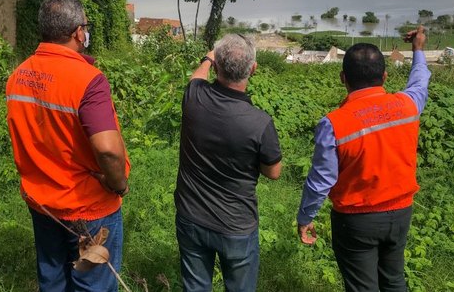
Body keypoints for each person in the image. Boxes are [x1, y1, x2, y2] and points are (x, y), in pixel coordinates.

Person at [5, 0, 130, 292]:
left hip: (42, 202)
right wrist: (118, 184)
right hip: (88, 206)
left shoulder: (18, 76)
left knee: (52, 281)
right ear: (77, 32)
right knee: (93, 286)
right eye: (85, 26)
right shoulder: (88, 80)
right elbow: (109, 150)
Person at [296, 26, 431, 292]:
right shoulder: (408, 105)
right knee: (394, 281)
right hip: (401, 212)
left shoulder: (334, 124)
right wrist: (417, 49)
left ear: (342, 78)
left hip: (357, 220)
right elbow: (420, 80)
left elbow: (322, 179)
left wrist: (305, 216)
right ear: (385, 75)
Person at [174, 34, 282, 292]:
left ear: (217, 67)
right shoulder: (259, 122)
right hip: (236, 224)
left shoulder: (194, 98)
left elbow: (196, 78)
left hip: (192, 215)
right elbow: (273, 172)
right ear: (253, 69)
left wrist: (210, 57)